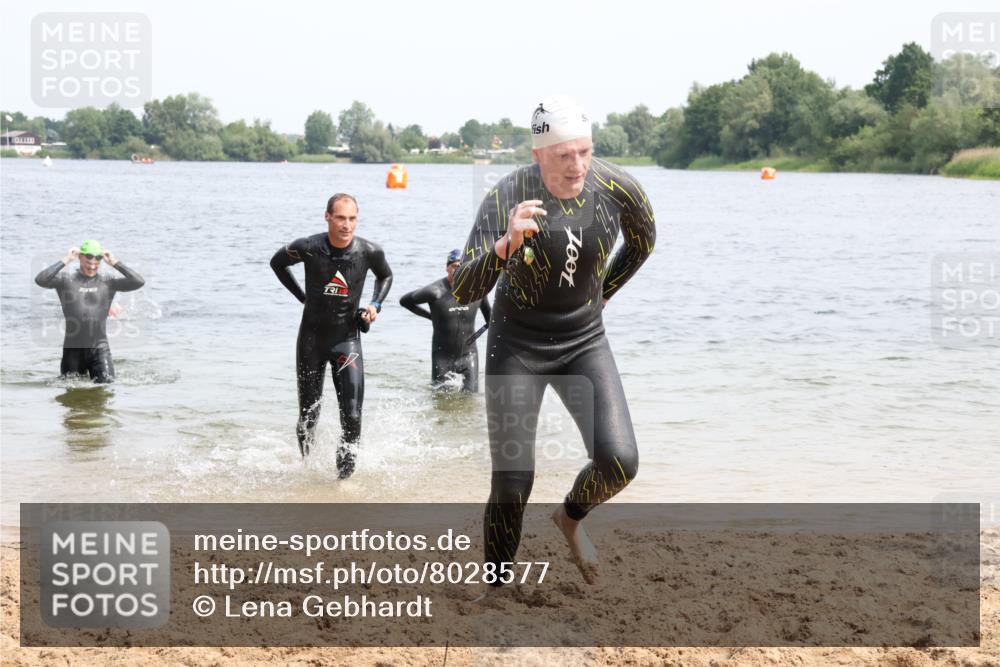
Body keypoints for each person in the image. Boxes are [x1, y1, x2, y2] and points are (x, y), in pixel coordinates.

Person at [452, 95, 656, 584]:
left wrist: (604, 292)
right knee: (513, 481)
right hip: (517, 343)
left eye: (585, 151)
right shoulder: (507, 194)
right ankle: (497, 587)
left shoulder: (615, 185)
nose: (578, 165)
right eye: (565, 155)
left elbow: (644, 239)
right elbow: (463, 289)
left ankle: (570, 518)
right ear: (539, 153)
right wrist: (506, 245)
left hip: (584, 338)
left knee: (619, 461)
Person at [270, 193, 393, 478]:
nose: (346, 225)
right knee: (308, 416)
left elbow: (385, 276)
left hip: (347, 340)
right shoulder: (309, 247)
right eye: (340, 217)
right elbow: (277, 263)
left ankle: (343, 482)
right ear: (327, 217)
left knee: (352, 416)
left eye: (352, 218)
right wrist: (301, 297)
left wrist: (375, 305)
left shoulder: (369, 252)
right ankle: (307, 468)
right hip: (311, 341)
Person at [34, 240, 145, 384]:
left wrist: (115, 262)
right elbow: (40, 279)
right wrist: (66, 259)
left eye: (96, 264)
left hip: (100, 349)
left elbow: (138, 281)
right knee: (71, 397)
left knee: (106, 391)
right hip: (72, 351)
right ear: (80, 258)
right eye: (88, 262)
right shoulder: (66, 280)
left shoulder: (108, 282)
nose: (92, 267)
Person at [399, 249, 491, 392]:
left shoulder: (478, 290)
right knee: (440, 402)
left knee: (470, 401)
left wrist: (478, 335)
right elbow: (404, 301)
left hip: (469, 356)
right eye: (455, 266)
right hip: (442, 358)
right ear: (447, 267)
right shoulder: (435, 291)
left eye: (463, 267)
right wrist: (429, 316)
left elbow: (491, 321)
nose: (458, 270)